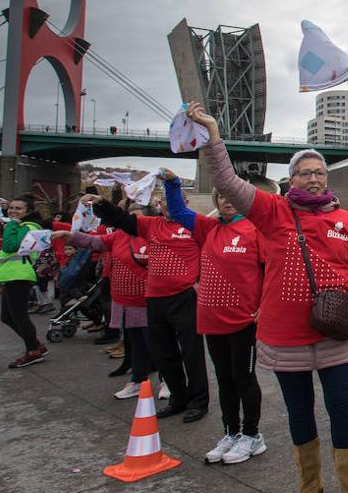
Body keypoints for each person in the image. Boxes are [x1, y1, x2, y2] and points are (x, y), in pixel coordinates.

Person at [188, 102, 348, 493]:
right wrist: (213, 134)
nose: (314, 178)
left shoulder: (345, 220)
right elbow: (227, 181)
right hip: (285, 336)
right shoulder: (272, 212)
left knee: (343, 411)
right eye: (305, 172)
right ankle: (309, 486)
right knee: (299, 413)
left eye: (320, 172)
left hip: (334, 333)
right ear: (290, 179)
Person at [161, 167, 272, 465]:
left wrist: (266, 304)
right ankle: (231, 432)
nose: (227, 200)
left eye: (232, 194)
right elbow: (177, 211)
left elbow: (273, 270)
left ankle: (252, 435)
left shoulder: (255, 230)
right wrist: (172, 183)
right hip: (211, 320)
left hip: (243, 321)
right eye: (221, 195)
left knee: (243, 378)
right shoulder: (208, 229)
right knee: (223, 380)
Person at [92, 187, 209, 424]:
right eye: (162, 201)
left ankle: (198, 402)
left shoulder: (195, 225)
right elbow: (122, 220)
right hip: (154, 299)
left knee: (192, 353)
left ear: (183, 201)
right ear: (157, 205)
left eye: (171, 201)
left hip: (184, 297)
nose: (166, 205)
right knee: (164, 353)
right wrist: (102, 203)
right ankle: (178, 398)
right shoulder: (150, 225)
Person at [54, 204, 155, 399]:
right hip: (125, 300)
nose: (131, 221)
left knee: (156, 343)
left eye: (137, 217)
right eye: (129, 216)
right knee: (136, 343)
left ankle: (169, 381)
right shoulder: (117, 236)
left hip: (150, 301)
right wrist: (71, 237)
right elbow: (94, 242)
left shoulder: (153, 237)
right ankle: (137, 380)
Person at [0, 194, 48, 369]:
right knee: (7, 317)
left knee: (19, 316)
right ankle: (36, 345)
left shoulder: (28, 226)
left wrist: (10, 225)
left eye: (18, 208)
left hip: (19, 275)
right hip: (11, 275)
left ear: (29, 211)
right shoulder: (20, 225)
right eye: (11, 208)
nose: (13, 211)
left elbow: (10, 246)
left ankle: (32, 351)